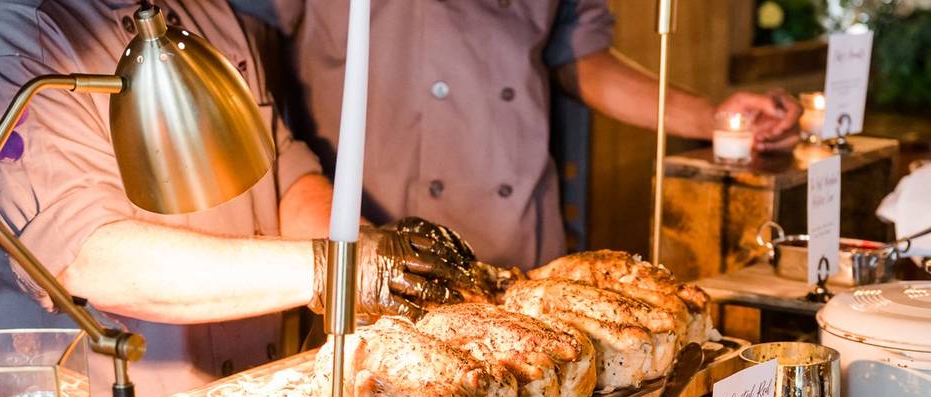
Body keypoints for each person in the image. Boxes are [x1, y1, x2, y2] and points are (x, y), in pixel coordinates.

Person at [0, 0, 468, 397]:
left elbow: (284, 172)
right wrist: (333, 269)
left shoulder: (209, 12)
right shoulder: (17, 31)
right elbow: (91, 254)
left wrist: (368, 250)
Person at [233, 0, 803, 272]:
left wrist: (712, 119)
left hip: (521, 237)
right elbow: (237, 49)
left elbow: (580, 56)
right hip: (380, 242)